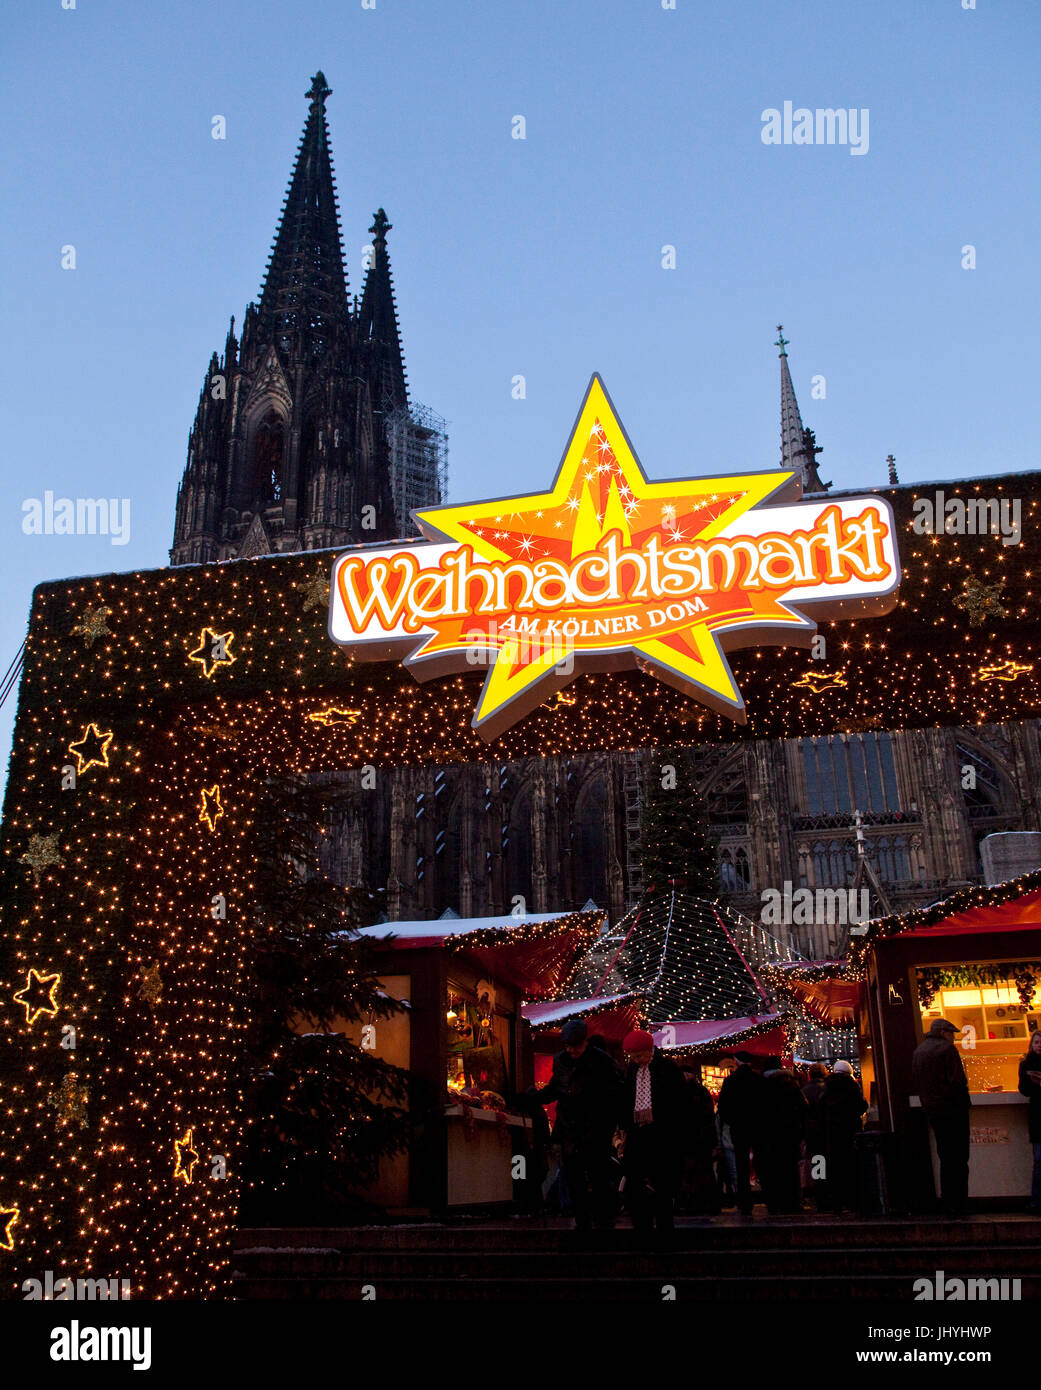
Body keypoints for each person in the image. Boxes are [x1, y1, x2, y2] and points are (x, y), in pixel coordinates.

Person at [533, 1018, 624, 1231]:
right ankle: (583, 1222)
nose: (573, 1050)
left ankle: (603, 1220)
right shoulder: (561, 1061)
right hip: (571, 1129)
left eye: (577, 1046)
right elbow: (556, 1087)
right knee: (575, 1178)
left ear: (585, 1042)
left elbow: (615, 1092)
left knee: (598, 1175)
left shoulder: (601, 1062)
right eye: (568, 1046)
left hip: (595, 1128)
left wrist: (610, 1121)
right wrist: (535, 1098)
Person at [617, 1029, 691, 1235]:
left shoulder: (667, 1069)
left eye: (640, 1055)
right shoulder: (632, 1071)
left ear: (650, 1051)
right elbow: (626, 1100)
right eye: (633, 1057)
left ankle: (665, 1228)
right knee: (635, 1181)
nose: (637, 1060)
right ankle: (643, 1227)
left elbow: (680, 1103)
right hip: (638, 1134)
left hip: (663, 1135)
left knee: (663, 1184)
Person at [911, 1018, 971, 1216]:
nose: (953, 1038)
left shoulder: (919, 1051)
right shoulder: (947, 1050)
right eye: (951, 1034)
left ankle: (947, 1201)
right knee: (959, 1158)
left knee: (945, 1156)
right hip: (954, 1109)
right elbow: (957, 1081)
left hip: (934, 1110)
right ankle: (959, 1202)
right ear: (945, 1033)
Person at [757, 1056, 808, 1214]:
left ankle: (775, 1202)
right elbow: (803, 1108)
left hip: (769, 1135)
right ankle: (793, 1201)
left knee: (773, 1169)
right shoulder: (791, 1085)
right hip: (790, 1133)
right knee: (790, 1169)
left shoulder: (762, 1086)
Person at [717, 1050, 766, 1215]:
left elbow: (723, 1107)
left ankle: (745, 1202)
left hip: (739, 1128)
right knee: (760, 1161)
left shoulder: (731, 1081)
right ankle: (767, 1194)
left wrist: (732, 1122)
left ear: (736, 1062)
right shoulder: (759, 1080)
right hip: (758, 1126)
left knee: (741, 1165)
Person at [821, 1059, 868, 1213]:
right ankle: (853, 1201)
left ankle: (836, 1203)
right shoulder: (852, 1086)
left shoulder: (827, 1086)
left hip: (832, 1133)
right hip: (850, 1130)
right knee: (851, 1166)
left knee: (833, 1168)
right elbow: (861, 1106)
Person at [1017, 1029, 1041, 1213]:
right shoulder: (1025, 1065)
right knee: (1039, 1160)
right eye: (1036, 1042)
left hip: (1037, 1115)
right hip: (1037, 1116)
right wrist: (1031, 1082)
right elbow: (1023, 1089)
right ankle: (1036, 1201)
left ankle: (1035, 1201)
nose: (1038, 1046)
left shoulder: (1026, 1063)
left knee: (1039, 1160)